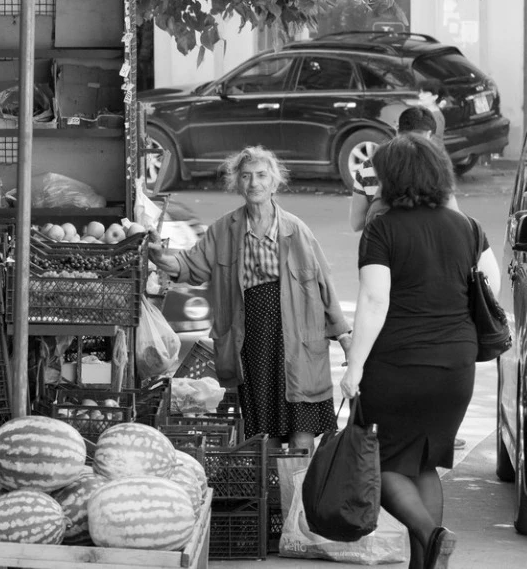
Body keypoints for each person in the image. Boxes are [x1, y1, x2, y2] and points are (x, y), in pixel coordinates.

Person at [338, 133, 500, 569]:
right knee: (424, 463)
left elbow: (375, 300)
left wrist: (354, 367)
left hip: (399, 364)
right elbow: (492, 286)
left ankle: (432, 535)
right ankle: (426, 563)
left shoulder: (382, 228)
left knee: (381, 462)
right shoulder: (467, 226)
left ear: (392, 178)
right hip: (456, 365)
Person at [147, 146, 353, 453]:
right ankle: (272, 485)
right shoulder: (224, 230)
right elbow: (190, 265)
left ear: (274, 182)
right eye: (246, 176)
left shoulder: (296, 230)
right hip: (252, 344)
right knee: (265, 436)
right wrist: (158, 256)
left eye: (261, 175)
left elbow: (324, 286)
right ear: (237, 183)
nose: (254, 183)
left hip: (298, 342)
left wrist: (345, 337)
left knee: (302, 431)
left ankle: (300, 485)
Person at [350, 106, 458, 232]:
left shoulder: (368, 167)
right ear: (429, 134)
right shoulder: (436, 166)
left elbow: (356, 223)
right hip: (425, 239)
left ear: (397, 130)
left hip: (382, 239)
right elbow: (453, 215)